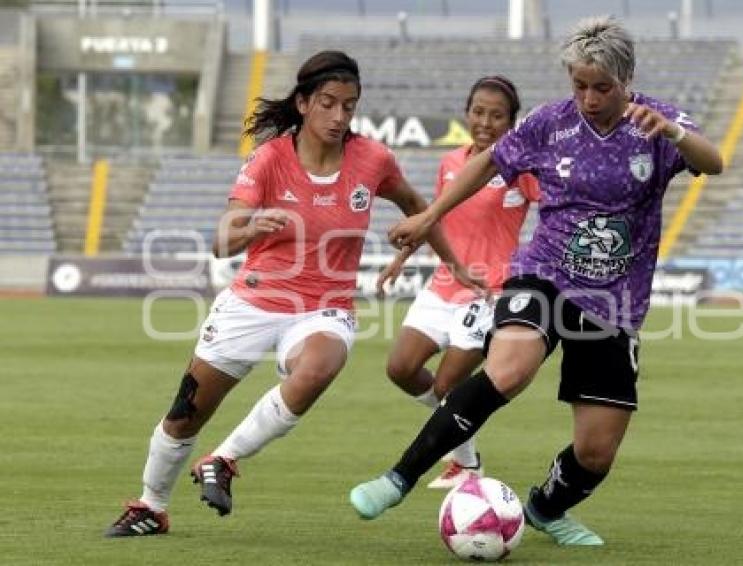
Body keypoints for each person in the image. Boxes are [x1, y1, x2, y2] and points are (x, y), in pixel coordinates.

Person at [349, 16, 723, 547]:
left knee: (596, 452)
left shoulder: (657, 121)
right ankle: (398, 478)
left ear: (626, 78)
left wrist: (677, 134)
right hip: (542, 272)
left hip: (613, 302)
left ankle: (546, 508)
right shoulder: (550, 124)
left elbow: (715, 161)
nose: (589, 98)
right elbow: (484, 166)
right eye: (579, 84)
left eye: (602, 87)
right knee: (509, 369)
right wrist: (430, 217)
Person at [105, 50, 482, 537]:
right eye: (328, 103)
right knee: (185, 415)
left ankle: (224, 459)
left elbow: (418, 208)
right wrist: (251, 226)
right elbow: (221, 240)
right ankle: (151, 507)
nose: (339, 116)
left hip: (325, 308)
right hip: (253, 302)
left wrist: (445, 258)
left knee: (320, 366)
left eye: (349, 105)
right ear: (304, 103)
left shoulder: (372, 159)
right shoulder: (269, 160)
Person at [380, 76, 539, 489]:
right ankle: (466, 457)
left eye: (497, 115)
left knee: (449, 383)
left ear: (511, 122)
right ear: (467, 113)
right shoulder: (451, 163)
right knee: (400, 367)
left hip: (489, 292)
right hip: (444, 283)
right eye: (478, 112)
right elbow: (433, 220)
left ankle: (463, 462)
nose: (485, 122)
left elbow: (556, 206)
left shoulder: (519, 168)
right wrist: (401, 258)